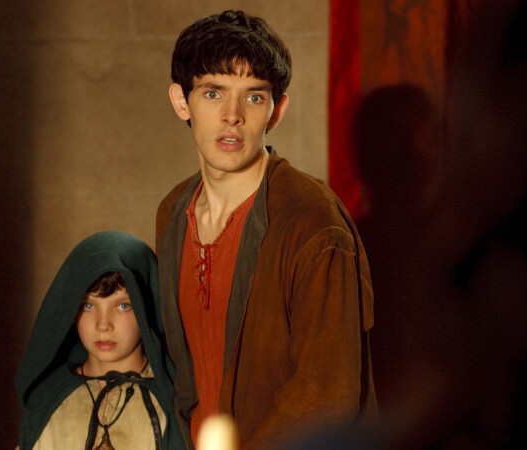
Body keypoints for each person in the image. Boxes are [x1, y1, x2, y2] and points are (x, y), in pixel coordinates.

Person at [155, 10, 377, 448]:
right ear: (181, 101)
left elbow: (327, 399)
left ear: (277, 111)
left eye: (254, 97)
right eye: (213, 93)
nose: (232, 115)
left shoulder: (313, 221)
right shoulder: (173, 211)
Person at [14, 231, 184, 449]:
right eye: (88, 305)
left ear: (146, 309)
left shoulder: (175, 403)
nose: (103, 325)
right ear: (71, 313)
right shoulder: (47, 400)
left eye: (123, 306)